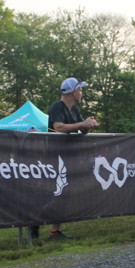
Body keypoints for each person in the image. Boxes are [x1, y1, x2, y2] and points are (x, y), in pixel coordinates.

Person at [46, 77, 98, 240]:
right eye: (80, 90)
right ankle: (35, 223)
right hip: (55, 157)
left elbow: (81, 130)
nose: (82, 93)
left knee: (64, 192)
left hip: (68, 157)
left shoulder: (74, 110)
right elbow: (59, 127)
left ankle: (55, 231)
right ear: (74, 92)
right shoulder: (57, 106)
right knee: (54, 193)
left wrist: (88, 125)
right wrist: (82, 124)